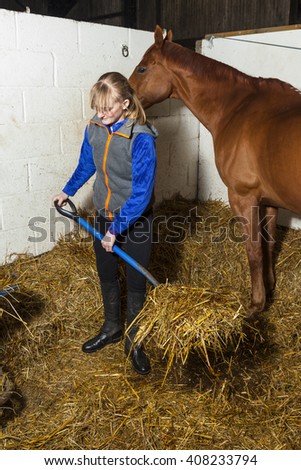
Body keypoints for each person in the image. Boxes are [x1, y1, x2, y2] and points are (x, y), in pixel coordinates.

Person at [53, 72, 158, 375]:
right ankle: (112, 328)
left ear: (125, 104)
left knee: (137, 281)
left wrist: (116, 229)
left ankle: (134, 340)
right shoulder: (95, 128)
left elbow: (141, 193)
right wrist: (67, 190)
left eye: (107, 109)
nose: (101, 114)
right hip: (104, 214)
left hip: (135, 220)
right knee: (107, 272)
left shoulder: (141, 138)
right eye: (97, 108)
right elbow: (87, 164)